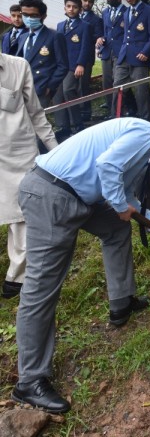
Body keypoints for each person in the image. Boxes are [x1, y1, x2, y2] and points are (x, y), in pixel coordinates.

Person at [12, 118, 150, 414]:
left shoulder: (145, 145)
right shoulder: (148, 136)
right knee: (41, 287)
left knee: (115, 227)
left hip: (74, 195)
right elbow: (107, 166)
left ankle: (121, 302)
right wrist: (120, 205)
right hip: (52, 195)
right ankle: (30, 381)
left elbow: (124, 193)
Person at [0, 53, 57, 298]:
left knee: (22, 214)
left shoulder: (17, 66)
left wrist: (56, 151)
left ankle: (17, 276)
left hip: (18, 154)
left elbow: (35, 112)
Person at [113, 0, 150, 120]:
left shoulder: (149, 10)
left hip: (140, 56)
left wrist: (146, 52)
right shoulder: (126, 11)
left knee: (141, 89)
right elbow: (126, 35)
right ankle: (117, 117)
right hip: (124, 55)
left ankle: (145, 118)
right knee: (118, 86)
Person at [15, 0, 68, 108]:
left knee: (36, 118)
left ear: (43, 16)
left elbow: (63, 65)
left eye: (33, 15)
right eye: (25, 15)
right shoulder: (23, 37)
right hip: (21, 87)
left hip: (41, 88)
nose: (29, 18)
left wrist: (50, 86)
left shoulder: (54, 36)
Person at [53, 0, 92, 138]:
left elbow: (86, 47)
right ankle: (63, 126)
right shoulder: (60, 25)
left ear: (80, 10)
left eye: (75, 7)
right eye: (68, 6)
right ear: (64, 7)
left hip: (74, 65)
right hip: (60, 65)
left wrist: (81, 64)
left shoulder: (85, 26)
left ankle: (77, 124)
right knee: (57, 94)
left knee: (69, 90)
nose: (71, 9)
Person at [96, 0, 126, 117]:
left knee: (117, 82)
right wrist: (100, 41)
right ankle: (109, 108)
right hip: (107, 49)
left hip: (120, 51)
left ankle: (116, 113)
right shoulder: (105, 12)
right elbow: (105, 31)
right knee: (106, 81)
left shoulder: (127, 11)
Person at [77, 0, 103, 122]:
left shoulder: (96, 19)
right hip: (71, 56)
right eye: (85, 0)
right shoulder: (74, 15)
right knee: (71, 86)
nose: (87, 3)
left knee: (83, 85)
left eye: (90, 1)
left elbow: (98, 35)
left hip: (86, 56)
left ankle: (85, 112)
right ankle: (74, 111)